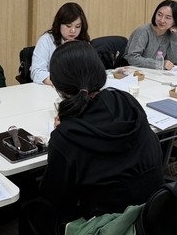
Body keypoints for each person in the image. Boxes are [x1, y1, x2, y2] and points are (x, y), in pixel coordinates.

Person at [19, 41, 163, 235]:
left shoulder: (66, 135)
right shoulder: (125, 100)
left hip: (108, 224)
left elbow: (57, 198)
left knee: (31, 212)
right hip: (153, 210)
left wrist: (59, 138)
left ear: (58, 86)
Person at [30, 2, 90, 86]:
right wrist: (63, 84)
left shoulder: (83, 41)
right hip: (52, 87)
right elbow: (37, 72)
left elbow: (90, 69)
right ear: (59, 24)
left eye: (77, 26)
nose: (73, 30)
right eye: (68, 26)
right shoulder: (46, 41)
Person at [124, 0, 177, 70]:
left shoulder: (171, 34)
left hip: (156, 73)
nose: (162, 20)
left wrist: (175, 35)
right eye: (159, 15)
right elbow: (132, 58)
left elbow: (174, 59)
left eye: (168, 18)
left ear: (175, 21)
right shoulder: (143, 32)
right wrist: (159, 64)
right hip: (135, 71)